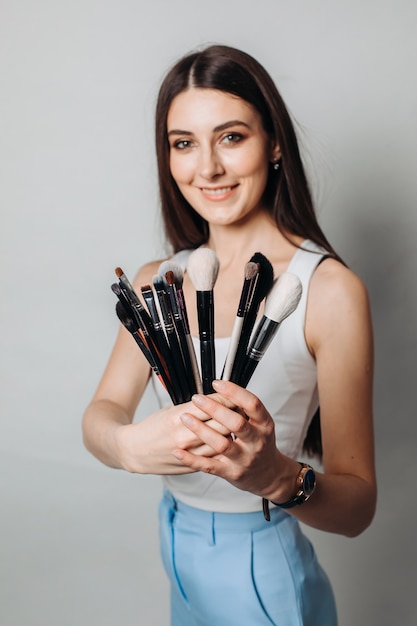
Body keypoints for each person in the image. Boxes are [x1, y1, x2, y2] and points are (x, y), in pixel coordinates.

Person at [82, 44, 376, 625]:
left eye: (232, 137)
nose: (207, 168)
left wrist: (275, 475)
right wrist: (127, 447)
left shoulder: (329, 291)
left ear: (274, 144)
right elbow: (103, 412)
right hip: (176, 548)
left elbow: (358, 507)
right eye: (183, 143)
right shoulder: (156, 280)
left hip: (260, 571)